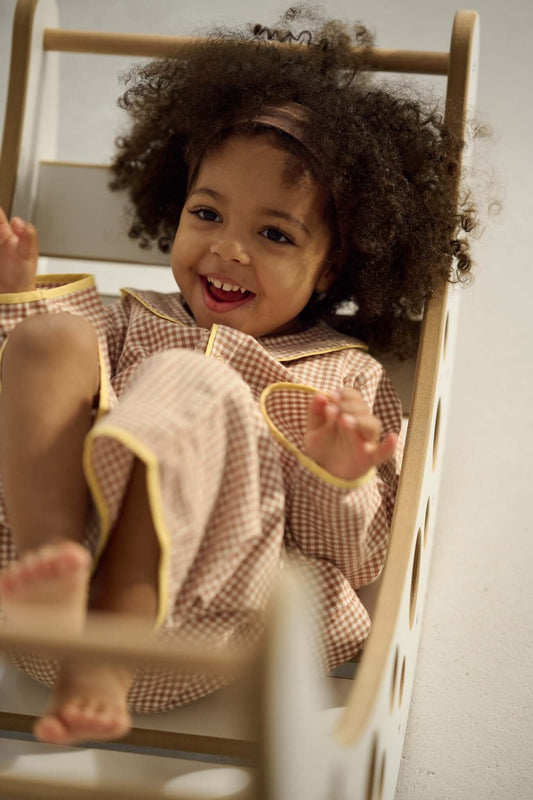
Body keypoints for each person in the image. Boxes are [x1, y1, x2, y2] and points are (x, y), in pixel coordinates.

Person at [0, 9, 475, 746]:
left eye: (274, 233)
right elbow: (26, 407)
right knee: (52, 336)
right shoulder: (132, 318)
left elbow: (356, 556)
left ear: (333, 268)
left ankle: (105, 660)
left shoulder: (340, 378)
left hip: (200, 616)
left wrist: (336, 471)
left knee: (190, 379)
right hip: (36, 605)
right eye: (207, 212)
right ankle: (48, 568)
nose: (228, 249)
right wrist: (18, 300)